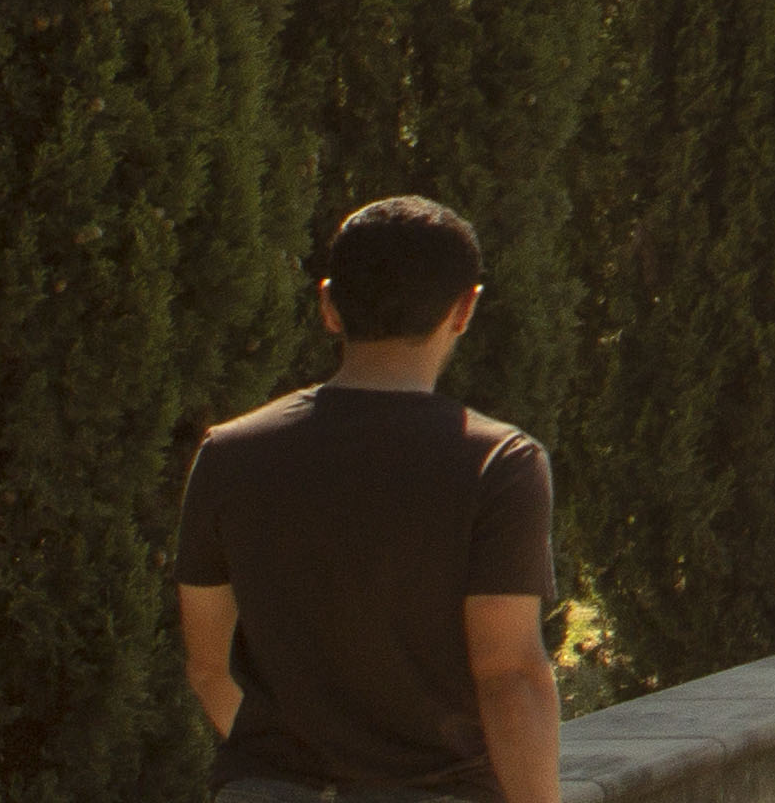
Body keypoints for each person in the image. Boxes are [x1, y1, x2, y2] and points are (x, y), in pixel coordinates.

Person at [174, 195, 560, 803]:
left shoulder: (229, 453)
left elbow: (207, 667)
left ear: (328, 304)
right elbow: (509, 676)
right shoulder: (499, 464)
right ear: (465, 309)